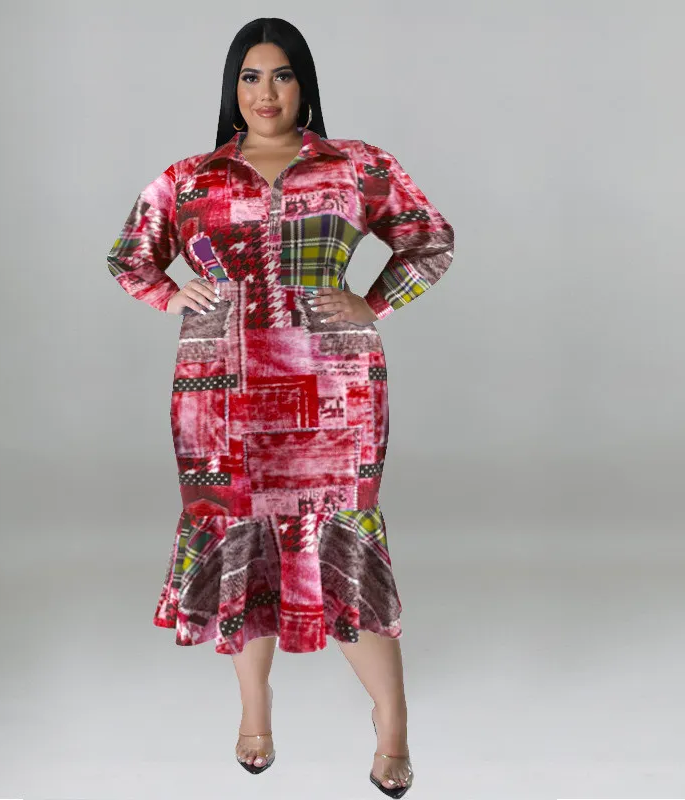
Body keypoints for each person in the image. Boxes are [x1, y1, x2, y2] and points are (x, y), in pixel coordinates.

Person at [106, 17, 455, 797]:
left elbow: (429, 240)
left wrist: (372, 302)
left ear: (306, 84)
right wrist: (171, 296)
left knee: (342, 540)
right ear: (232, 88)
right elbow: (129, 257)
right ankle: (255, 710)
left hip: (333, 387)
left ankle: (393, 724)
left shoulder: (356, 166)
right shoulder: (190, 178)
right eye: (251, 76)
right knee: (242, 539)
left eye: (283, 75)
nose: (267, 92)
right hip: (220, 393)